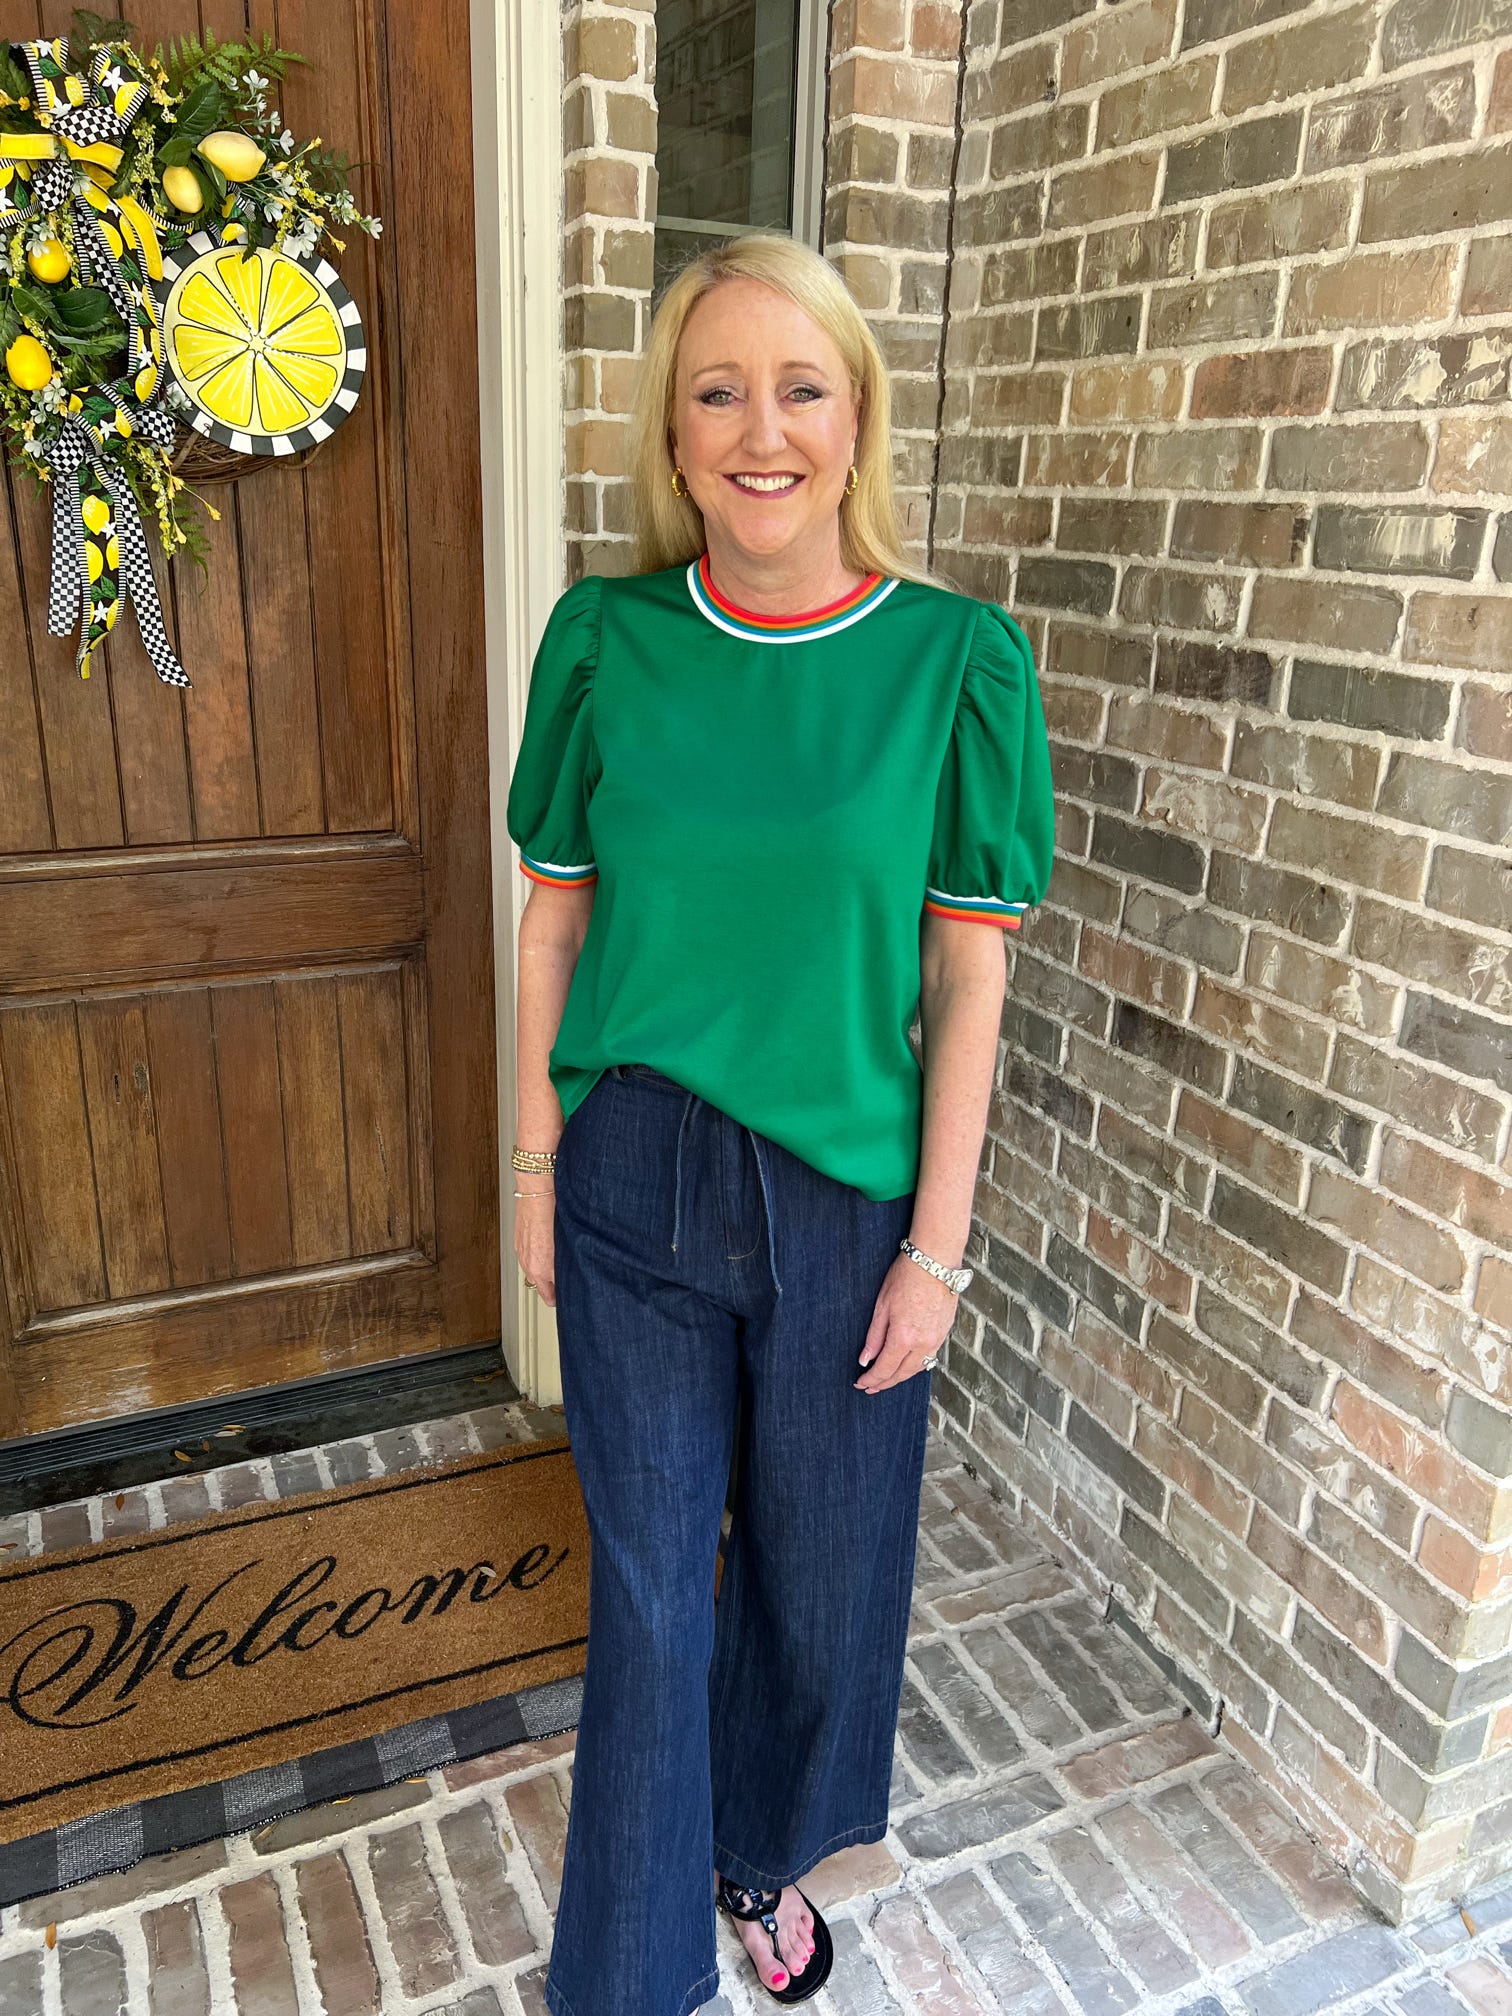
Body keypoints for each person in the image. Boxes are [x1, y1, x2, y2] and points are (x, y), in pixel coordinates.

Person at [505, 230, 1055, 2016]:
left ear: (856, 418)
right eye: (717, 392)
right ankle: (630, 1978)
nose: (761, 430)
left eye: (800, 388)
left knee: (819, 1589)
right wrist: (533, 1159)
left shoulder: (953, 664)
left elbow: (965, 982)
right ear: (672, 439)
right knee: (655, 1603)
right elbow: (558, 918)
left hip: (845, 1202)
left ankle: (753, 1851)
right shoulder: (608, 642)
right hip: (636, 1176)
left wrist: (940, 1253)